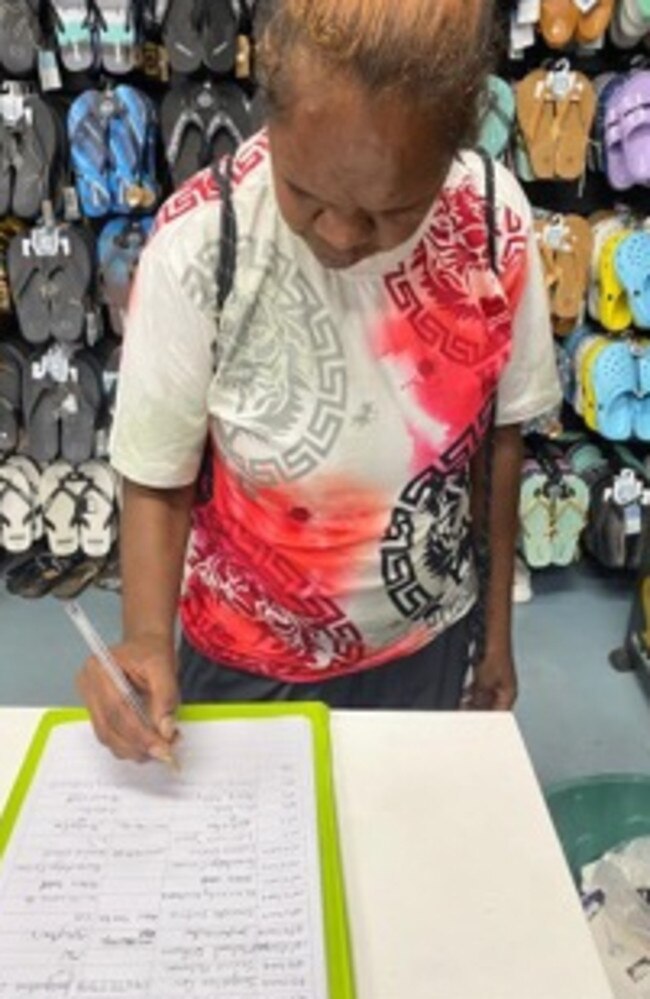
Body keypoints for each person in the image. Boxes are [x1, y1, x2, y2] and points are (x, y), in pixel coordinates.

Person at [77, 0, 561, 763]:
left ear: (456, 147)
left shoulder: (494, 223)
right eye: (305, 194)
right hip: (245, 659)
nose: (340, 235)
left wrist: (496, 635)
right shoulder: (202, 244)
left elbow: (498, 440)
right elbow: (158, 475)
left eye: (389, 210)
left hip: (425, 641)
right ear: (272, 116)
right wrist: (144, 635)